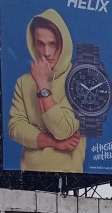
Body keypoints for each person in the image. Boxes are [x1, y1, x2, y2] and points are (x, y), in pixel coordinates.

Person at [7, 10, 85, 172]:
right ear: (33, 43)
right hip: (28, 174)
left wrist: (42, 84)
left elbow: (63, 130)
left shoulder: (80, 79)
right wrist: (53, 142)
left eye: (53, 44)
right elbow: (15, 127)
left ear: (63, 44)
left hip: (69, 174)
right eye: (40, 44)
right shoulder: (23, 82)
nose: (46, 53)